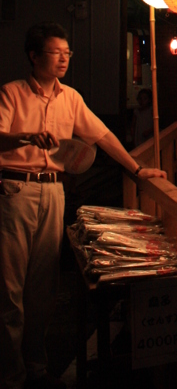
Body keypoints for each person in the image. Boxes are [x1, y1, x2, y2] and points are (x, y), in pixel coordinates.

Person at [0, 23, 167, 389]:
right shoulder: (11, 93)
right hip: (14, 188)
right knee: (10, 286)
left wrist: (137, 169)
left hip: (54, 190)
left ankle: (37, 368)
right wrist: (25, 136)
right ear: (34, 56)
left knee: (43, 284)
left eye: (67, 53)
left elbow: (102, 136)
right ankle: (10, 375)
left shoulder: (70, 98)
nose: (63, 59)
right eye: (56, 52)